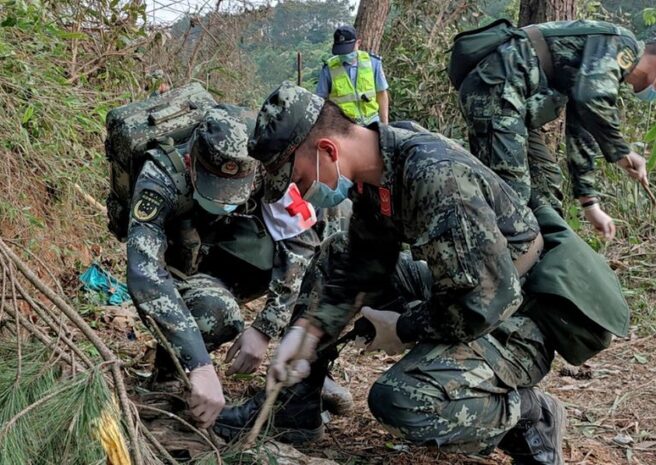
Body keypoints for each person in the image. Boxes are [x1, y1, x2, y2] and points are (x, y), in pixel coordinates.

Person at [214, 83, 630, 464]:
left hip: (520, 314)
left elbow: (482, 304)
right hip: (468, 285)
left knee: (403, 401)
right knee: (335, 255)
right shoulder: (378, 170)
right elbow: (362, 263)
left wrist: (404, 327)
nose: (301, 193)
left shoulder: (433, 175)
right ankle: (295, 408)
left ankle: (528, 413)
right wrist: (309, 332)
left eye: (298, 178)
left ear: (327, 150)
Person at [126, 104, 351, 429]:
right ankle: (170, 371)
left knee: (335, 226)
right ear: (192, 164)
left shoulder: (265, 162)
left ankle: (304, 378)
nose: (226, 199)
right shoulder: (160, 176)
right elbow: (145, 273)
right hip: (183, 263)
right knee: (214, 312)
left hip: (232, 249)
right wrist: (199, 363)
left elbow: (299, 241)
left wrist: (265, 329)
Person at [457, 22, 656, 240]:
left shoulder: (605, 69)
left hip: (513, 103)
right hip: (497, 90)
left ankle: (546, 265)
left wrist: (590, 203)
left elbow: (582, 125)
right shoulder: (622, 44)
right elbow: (591, 99)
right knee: (512, 198)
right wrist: (622, 152)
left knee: (546, 183)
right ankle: (490, 274)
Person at [316, 24, 389, 125]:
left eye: (347, 50)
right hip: (343, 127)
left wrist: (385, 125)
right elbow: (320, 100)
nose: (345, 54)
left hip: (372, 123)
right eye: (341, 51)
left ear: (358, 43)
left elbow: (381, 94)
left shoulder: (373, 63)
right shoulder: (329, 69)